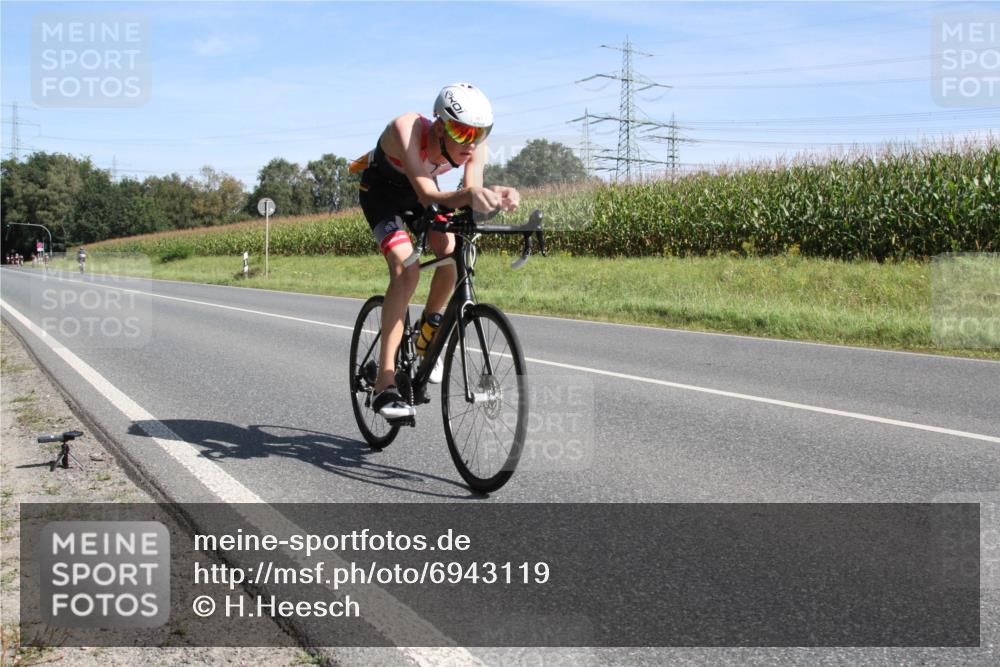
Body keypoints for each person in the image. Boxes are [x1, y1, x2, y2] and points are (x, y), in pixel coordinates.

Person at [350, 83, 520, 420]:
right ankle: (385, 382)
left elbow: (471, 192)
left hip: (419, 197)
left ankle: (429, 331)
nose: (472, 142)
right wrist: (472, 196)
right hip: (383, 195)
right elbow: (429, 195)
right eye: (462, 131)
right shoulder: (406, 129)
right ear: (440, 126)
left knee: (450, 253)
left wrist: (497, 196)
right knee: (406, 269)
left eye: (480, 133)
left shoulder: (473, 146)